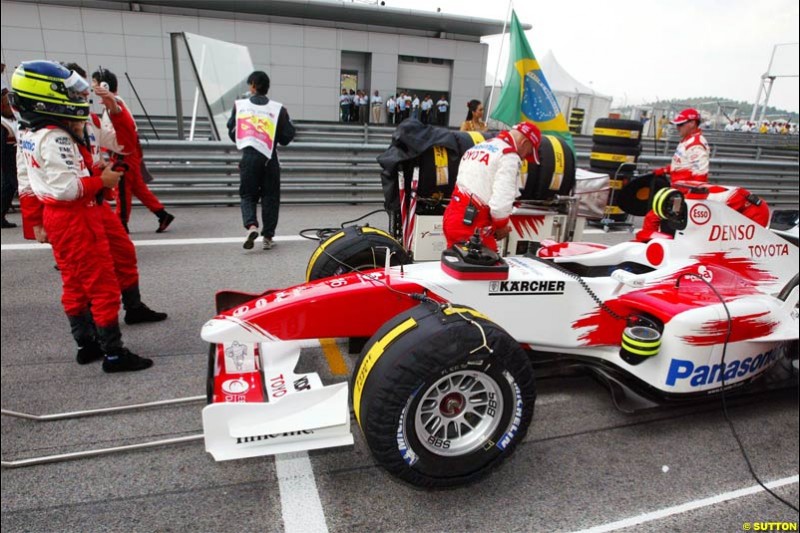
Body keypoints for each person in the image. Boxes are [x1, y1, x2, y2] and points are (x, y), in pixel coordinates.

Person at [10, 60, 155, 372]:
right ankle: (113, 352)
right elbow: (49, 183)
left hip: (86, 207)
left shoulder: (64, 125)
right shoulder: (50, 135)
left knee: (93, 271)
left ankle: (91, 340)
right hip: (76, 212)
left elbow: (125, 145)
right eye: (74, 93)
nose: (81, 98)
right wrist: (99, 181)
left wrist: (115, 108)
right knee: (98, 283)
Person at [90, 68, 174, 233]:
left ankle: (121, 223)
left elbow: (118, 138)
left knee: (122, 190)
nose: (91, 86)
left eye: (94, 83)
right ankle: (162, 214)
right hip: (130, 154)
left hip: (123, 156)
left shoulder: (114, 106)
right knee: (138, 188)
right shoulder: (115, 104)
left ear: (104, 86)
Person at [443, 122, 542, 252]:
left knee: (455, 266)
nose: (524, 158)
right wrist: (501, 226)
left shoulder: (478, 147)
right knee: (491, 269)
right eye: (528, 152)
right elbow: (501, 203)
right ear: (524, 143)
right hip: (473, 225)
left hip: (452, 217)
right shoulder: (508, 156)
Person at [228, 70, 295, 250]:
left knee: (248, 195)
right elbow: (287, 137)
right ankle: (268, 237)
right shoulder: (278, 109)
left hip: (249, 157)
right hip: (269, 158)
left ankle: (251, 226)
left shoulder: (240, 106)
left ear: (253, 85)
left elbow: (232, 132)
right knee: (270, 197)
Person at [636, 108, 709, 241]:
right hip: (677, 192)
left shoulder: (696, 144)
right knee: (666, 221)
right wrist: (664, 170)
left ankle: (650, 245)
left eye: (680, 124)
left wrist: (689, 199)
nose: (677, 127)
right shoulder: (687, 141)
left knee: (656, 218)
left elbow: (701, 174)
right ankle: (654, 246)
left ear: (692, 123)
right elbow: (682, 165)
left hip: (682, 195)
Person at [1, 77, 18, 229]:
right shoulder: (2, 123)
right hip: (6, 162)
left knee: (10, 187)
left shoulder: (12, 119)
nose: (10, 107)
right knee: (7, 187)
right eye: (7, 105)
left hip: (15, 160)